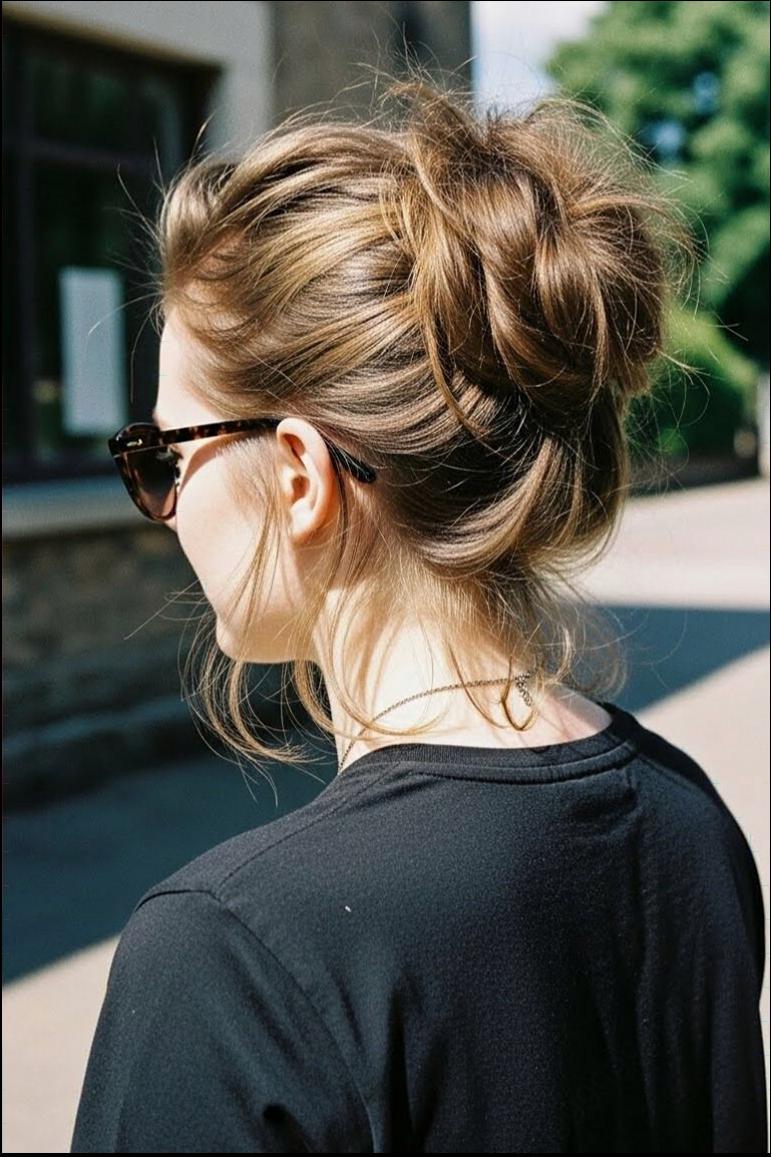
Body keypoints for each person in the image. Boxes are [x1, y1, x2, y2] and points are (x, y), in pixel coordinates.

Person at [71, 73, 767, 1152]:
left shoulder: (234, 957)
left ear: (299, 474)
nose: (159, 503)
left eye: (164, 453)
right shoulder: (689, 821)